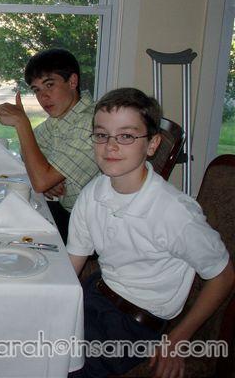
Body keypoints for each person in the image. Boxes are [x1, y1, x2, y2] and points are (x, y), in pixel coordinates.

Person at [67, 87, 234, 378]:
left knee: (63, 366)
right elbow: (73, 265)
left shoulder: (174, 213)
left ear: (152, 144)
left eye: (126, 136)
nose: (110, 146)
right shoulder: (93, 193)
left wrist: (178, 339)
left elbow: (224, 275)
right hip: (95, 293)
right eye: (102, 135)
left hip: (132, 325)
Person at [0, 48, 98, 242]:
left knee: (2, 232)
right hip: (67, 212)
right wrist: (49, 177)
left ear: (73, 81)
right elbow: (29, 154)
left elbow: (39, 180)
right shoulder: (64, 116)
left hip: (90, 229)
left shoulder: (90, 123)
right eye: (37, 90)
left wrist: (22, 123)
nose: (43, 97)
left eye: (49, 85)